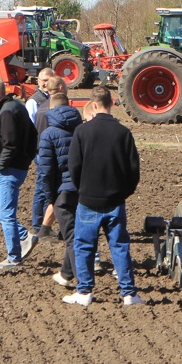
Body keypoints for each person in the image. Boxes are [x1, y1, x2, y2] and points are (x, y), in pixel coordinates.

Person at [63, 87, 143, 307]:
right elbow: (133, 170)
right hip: (115, 200)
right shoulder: (123, 133)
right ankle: (129, 294)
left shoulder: (82, 132)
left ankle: (84, 291)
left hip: (88, 199)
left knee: (84, 246)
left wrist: (83, 189)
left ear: (94, 105)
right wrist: (123, 193)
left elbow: (74, 167)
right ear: (112, 104)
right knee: (119, 246)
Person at [0, 74, 39, 271]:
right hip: (16, 166)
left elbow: (10, 144)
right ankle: (24, 236)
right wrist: (28, 158)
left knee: (6, 213)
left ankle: (14, 258)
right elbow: (33, 135)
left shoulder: (6, 112)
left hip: (10, 169)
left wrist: (0, 165)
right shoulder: (16, 106)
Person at [35, 93, 82, 288]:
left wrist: (50, 198)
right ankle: (66, 272)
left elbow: (46, 171)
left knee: (71, 237)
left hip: (63, 191)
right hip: (83, 189)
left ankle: (83, 282)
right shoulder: (82, 129)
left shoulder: (49, 133)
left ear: (51, 109)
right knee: (76, 233)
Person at [30, 74, 64, 234]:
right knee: (44, 189)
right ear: (61, 88)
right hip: (48, 153)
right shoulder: (48, 109)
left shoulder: (42, 108)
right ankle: (40, 224)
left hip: (42, 152)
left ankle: (41, 223)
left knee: (43, 188)